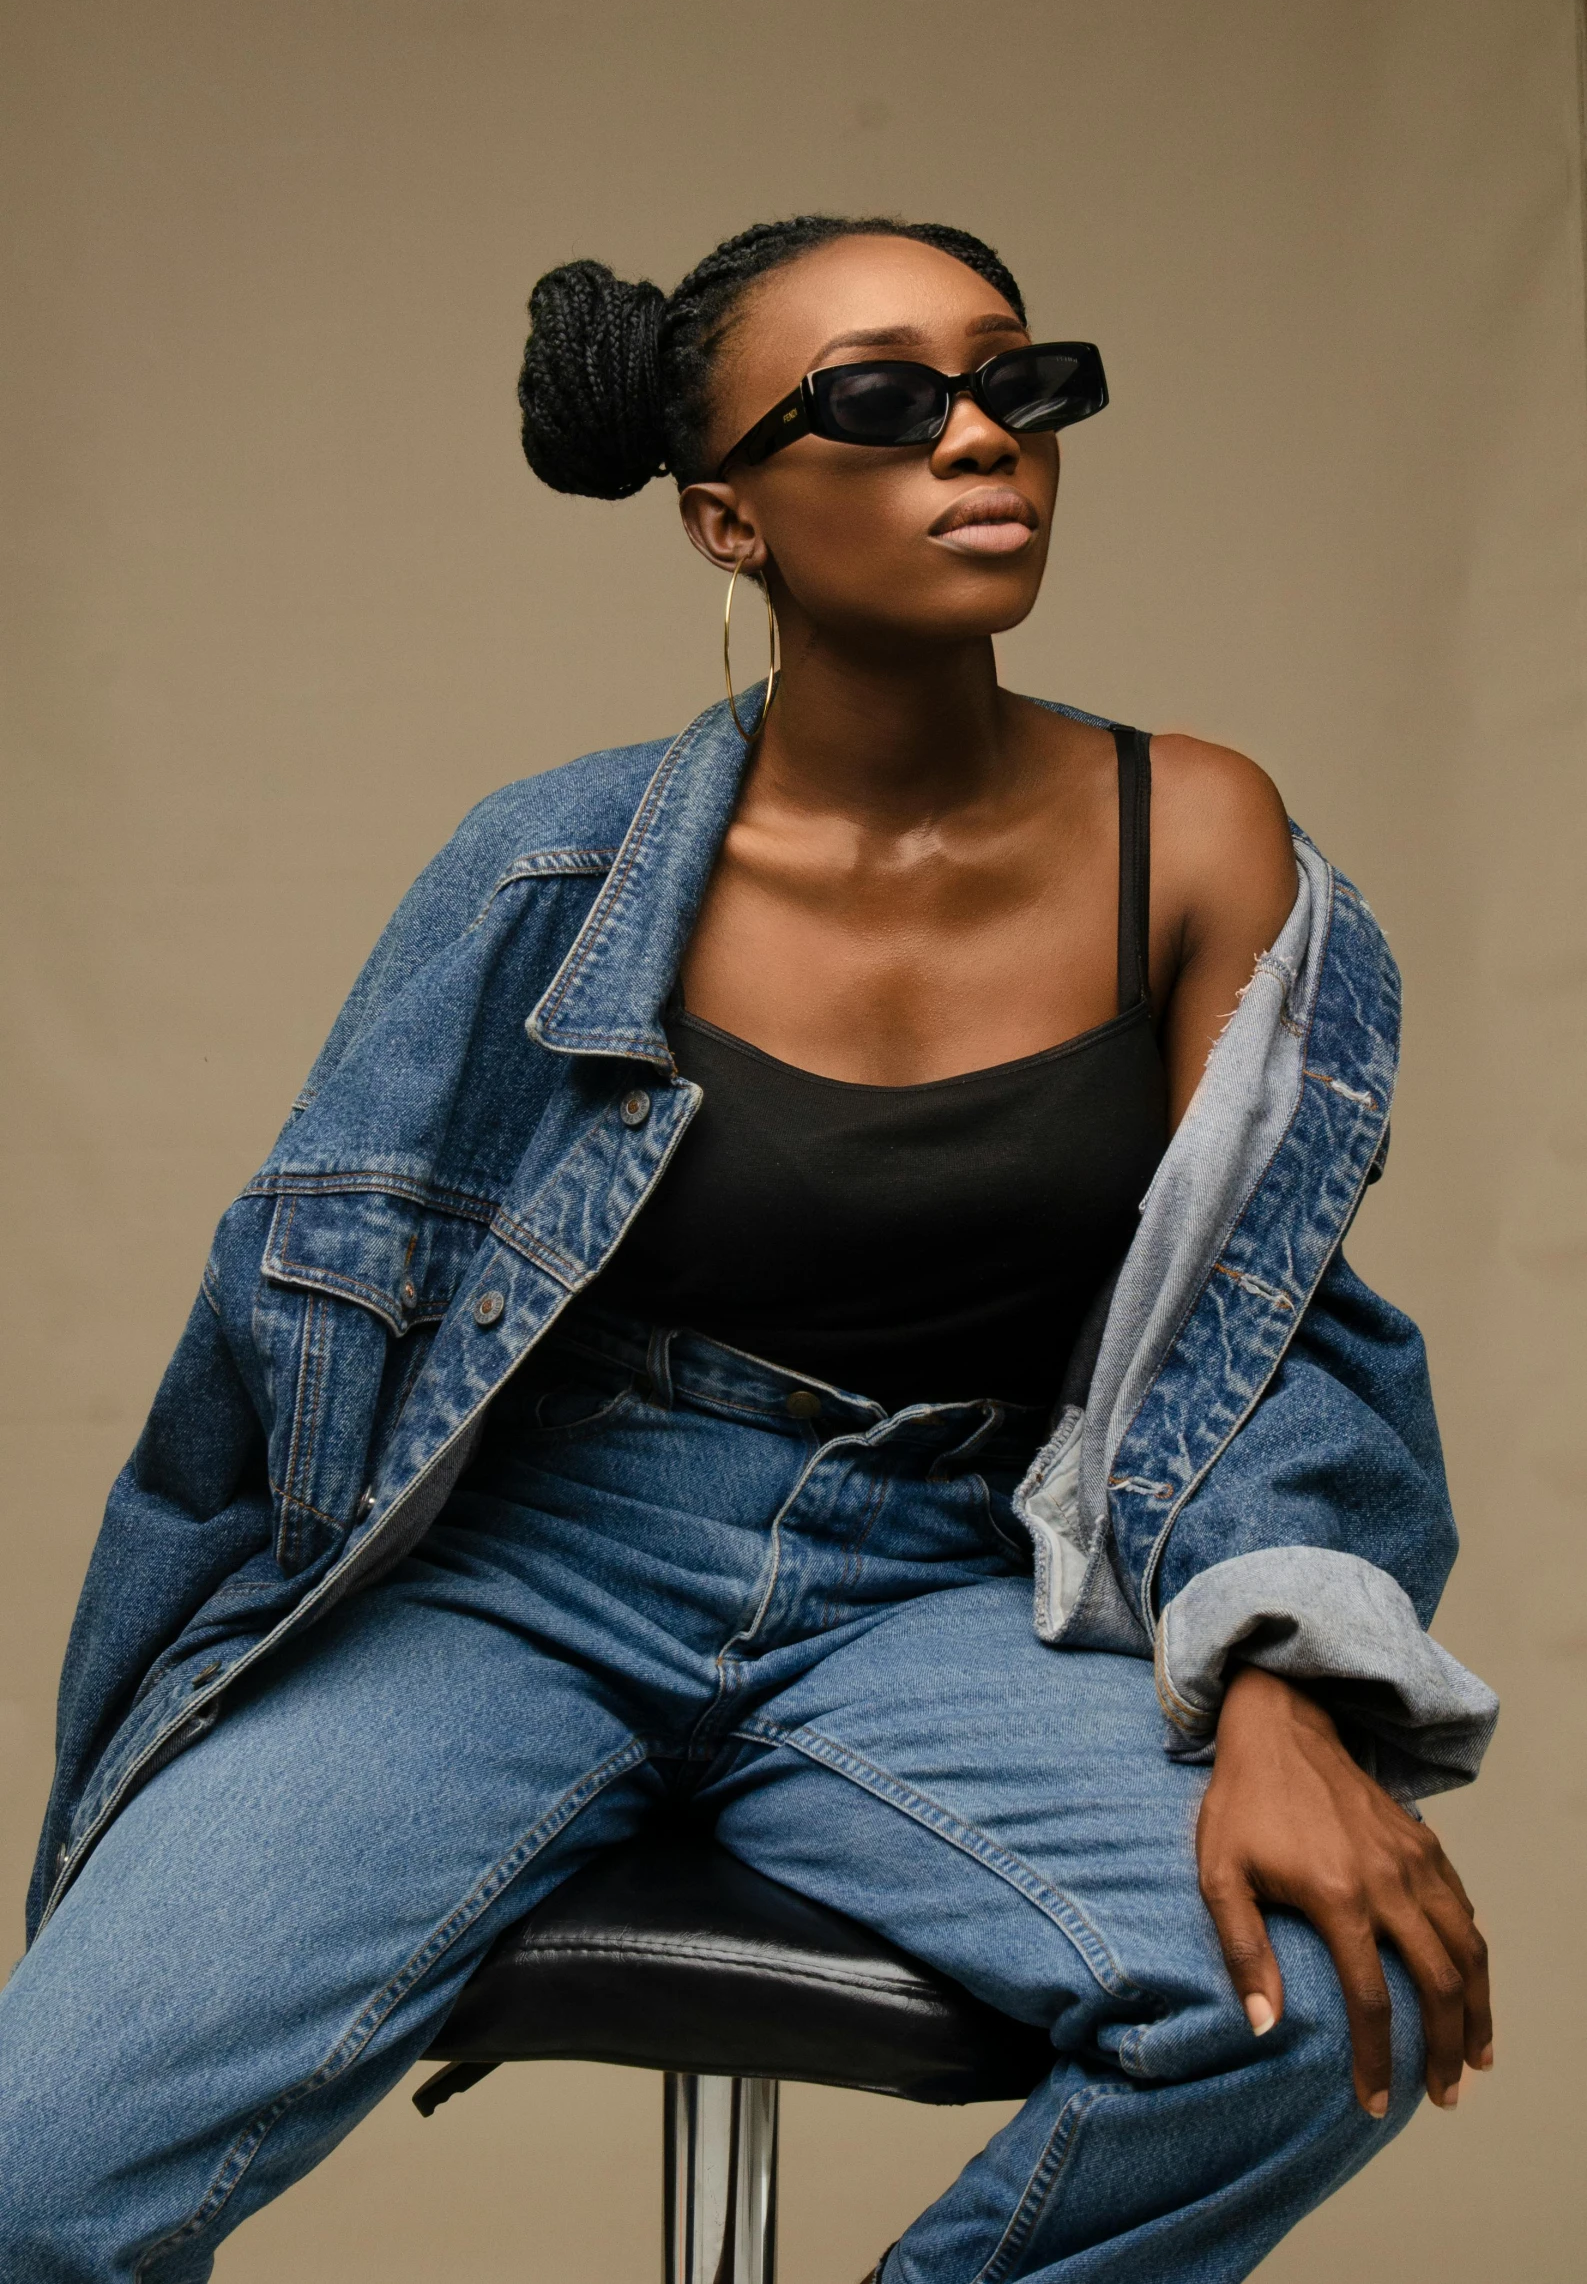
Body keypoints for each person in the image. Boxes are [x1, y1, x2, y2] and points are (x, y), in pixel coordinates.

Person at [1, 214, 1498, 2282]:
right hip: (531, 1573)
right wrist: (168, 1760)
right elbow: (287, 1345)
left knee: (1331, 1997)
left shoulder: (1202, 837)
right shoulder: (544, 865)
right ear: (728, 518)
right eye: (882, 405)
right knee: (31, 2178)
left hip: (949, 1579)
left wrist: (1279, 1694)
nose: (980, 441)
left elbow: (1267, 1311)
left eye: (1015, 381)